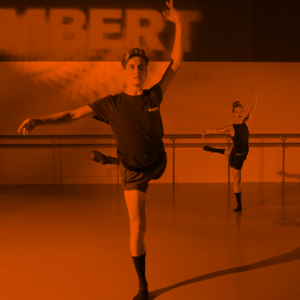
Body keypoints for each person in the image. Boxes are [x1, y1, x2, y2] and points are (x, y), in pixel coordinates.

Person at [17, 1, 183, 299]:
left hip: (158, 161)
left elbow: (177, 63)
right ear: (124, 71)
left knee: (144, 164)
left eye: (141, 67)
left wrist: (179, 24)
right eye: (131, 67)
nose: (136, 71)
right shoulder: (112, 104)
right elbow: (71, 115)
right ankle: (142, 285)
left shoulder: (154, 95)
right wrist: (38, 121)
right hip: (134, 172)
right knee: (138, 229)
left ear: (146, 72)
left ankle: (113, 160)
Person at [201, 87, 258, 212]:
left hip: (242, 153)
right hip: (237, 157)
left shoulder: (246, 123)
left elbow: (253, 109)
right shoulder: (231, 128)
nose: (240, 113)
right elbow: (217, 130)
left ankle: (214, 150)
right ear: (234, 113)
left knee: (230, 153)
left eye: (241, 111)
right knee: (237, 180)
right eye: (237, 111)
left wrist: (256, 95)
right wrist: (207, 131)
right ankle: (239, 205)